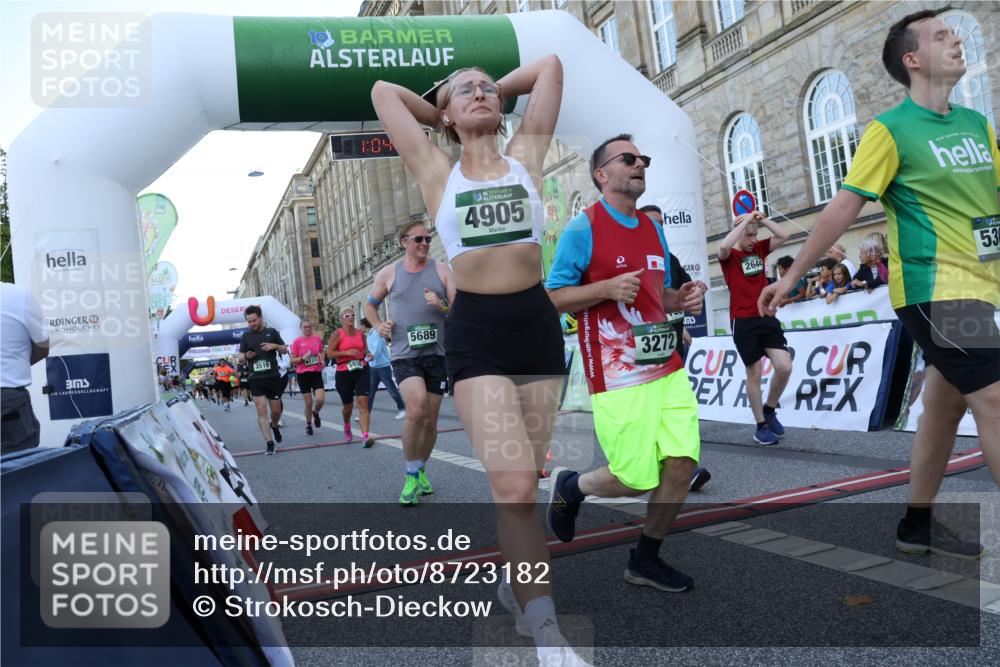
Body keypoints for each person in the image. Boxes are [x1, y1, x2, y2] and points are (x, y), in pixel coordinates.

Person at [373, 56, 589, 665]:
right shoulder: (437, 170)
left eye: (488, 88)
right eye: (465, 90)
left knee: (529, 479)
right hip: (476, 335)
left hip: (537, 329)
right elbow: (384, 91)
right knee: (514, 487)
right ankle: (546, 633)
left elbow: (550, 68)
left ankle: (519, 583)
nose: (480, 93)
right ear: (446, 113)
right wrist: (443, 107)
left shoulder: (526, 155)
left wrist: (484, 92)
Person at [760, 8, 998, 559]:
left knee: (944, 405)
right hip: (938, 291)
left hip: (982, 287)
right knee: (995, 399)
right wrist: (793, 275)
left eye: (954, 33)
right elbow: (843, 208)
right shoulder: (889, 130)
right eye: (941, 36)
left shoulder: (976, 125)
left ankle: (916, 524)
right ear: (912, 60)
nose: (956, 40)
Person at [545, 134, 708, 594]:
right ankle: (572, 488)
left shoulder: (653, 230)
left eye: (643, 159)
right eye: (629, 159)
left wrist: (682, 298)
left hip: (666, 364)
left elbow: (659, 296)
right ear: (602, 174)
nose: (640, 165)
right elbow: (552, 297)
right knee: (636, 479)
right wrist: (605, 289)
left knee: (681, 465)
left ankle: (645, 559)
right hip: (617, 372)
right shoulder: (584, 228)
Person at [365, 221, 456, 505]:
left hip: (436, 354)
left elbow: (459, 308)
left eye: (427, 239)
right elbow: (369, 305)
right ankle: (410, 474)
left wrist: (441, 305)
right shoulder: (389, 273)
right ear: (404, 242)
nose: (425, 243)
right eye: (419, 239)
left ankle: (420, 467)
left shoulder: (442, 270)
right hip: (404, 354)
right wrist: (379, 325)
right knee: (416, 409)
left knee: (430, 421)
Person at [639, 204, 712, 492]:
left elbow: (683, 295)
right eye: (652, 223)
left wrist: (697, 290)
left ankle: (683, 468)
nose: (659, 228)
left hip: (672, 344)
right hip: (645, 344)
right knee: (655, 407)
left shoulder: (670, 259)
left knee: (679, 408)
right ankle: (662, 466)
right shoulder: (633, 257)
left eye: (662, 223)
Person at [718, 210, 792, 446]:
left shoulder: (760, 249)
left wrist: (761, 219)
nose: (752, 239)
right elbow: (723, 247)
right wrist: (744, 222)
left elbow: (784, 235)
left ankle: (769, 409)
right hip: (743, 320)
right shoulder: (730, 256)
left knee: (784, 366)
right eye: (748, 235)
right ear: (740, 233)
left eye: (754, 235)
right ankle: (761, 427)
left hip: (766, 315)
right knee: (755, 372)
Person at [1, 282, 49, 455]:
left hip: (10, 401)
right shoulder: (20, 296)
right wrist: (13, 366)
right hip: (9, 400)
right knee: (19, 466)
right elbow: (42, 347)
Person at [239, 305, 288, 456]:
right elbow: (240, 357)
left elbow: (285, 349)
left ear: (260, 318)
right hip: (256, 378)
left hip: (272, 377)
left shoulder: (272, 332)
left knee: (276, 410)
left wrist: (275, 346)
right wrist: (246, 356)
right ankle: (269, 443)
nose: (252, 324)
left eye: (254, 320)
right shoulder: (246, 336)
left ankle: (274, 425)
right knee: (261, 409)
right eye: (249, 321)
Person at [326, 307, 373, 447]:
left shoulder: (360, 333)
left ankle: (365, 436)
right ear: (342, 319)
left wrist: (368, 354)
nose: (351, 317)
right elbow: (329, 353)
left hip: (361, 368)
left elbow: (364, 350)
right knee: (348, 406)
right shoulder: (337, 334)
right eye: (347, 315)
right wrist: (346, 353)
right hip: (344, 372)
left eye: (352, 315)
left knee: (363, 403)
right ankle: (347, 424)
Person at [359, 317, 405, 419]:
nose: (360, 327)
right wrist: (366, 359)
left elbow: (378, 348)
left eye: (361, 325)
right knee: (370, 392)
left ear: (365, 325)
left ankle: (402, 409)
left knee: (391, 390)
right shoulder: (368, 335)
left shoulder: (376, 332)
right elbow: (370, 351)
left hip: (383, 367)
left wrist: (371, 357)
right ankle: (365, 414)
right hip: (373, 367)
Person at [290, 319, 326, 436]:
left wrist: (322, 360)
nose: (308, 329)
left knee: (320, 399)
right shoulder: (297, 342)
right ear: (301, 328)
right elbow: (292, 360)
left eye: (309, 327)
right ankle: (309, 425)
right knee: (308, 402)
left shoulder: (317, 339)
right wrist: (301, 358)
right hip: (303, 374)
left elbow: (322, 351)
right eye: (305, 327)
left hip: (316, 372)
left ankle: (316, 412)